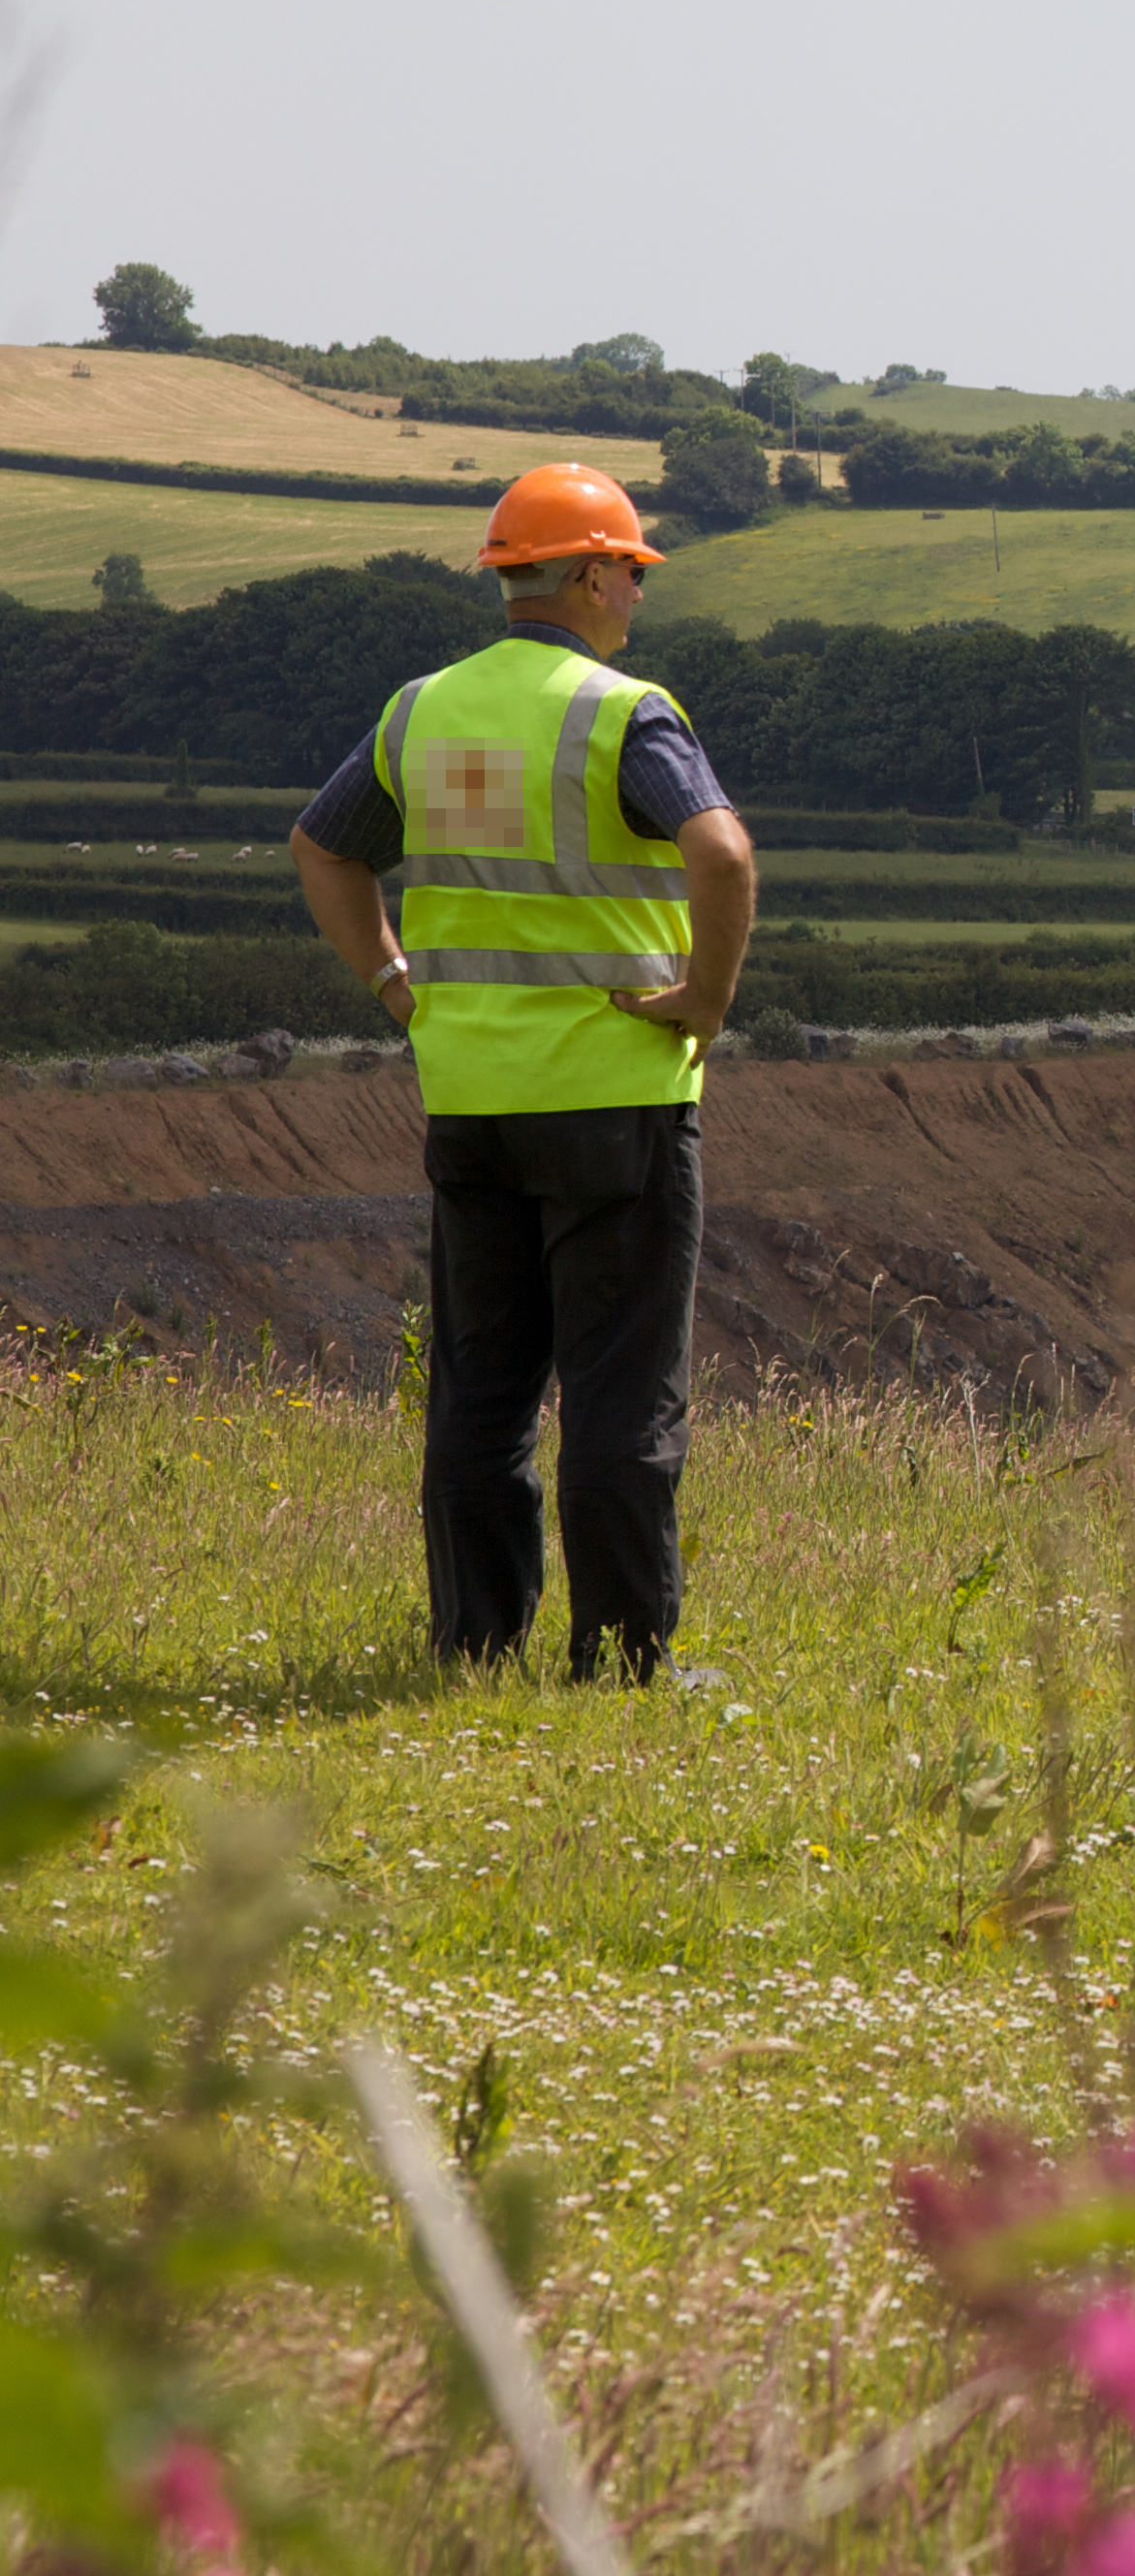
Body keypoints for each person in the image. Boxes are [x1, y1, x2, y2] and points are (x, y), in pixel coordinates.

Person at [285, 465, 761, 1680]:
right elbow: (722, 851)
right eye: (634, 573)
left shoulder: (419, 712)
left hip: (471, 1102)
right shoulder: (622, 713)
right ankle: (625, 1662)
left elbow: (322, 847)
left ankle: (476, 1647)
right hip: (619, 1099)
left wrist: (396, 985)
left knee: (481, 1393)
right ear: (595, 572)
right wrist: (705, 998)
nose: (638, 597)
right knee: (622, 1395)